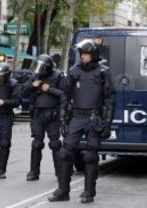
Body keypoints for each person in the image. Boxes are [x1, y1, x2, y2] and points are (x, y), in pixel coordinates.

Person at [48, 39, 115, 203]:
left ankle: (89, 192)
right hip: (76, 116)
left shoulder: (103, 72)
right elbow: (65, 95)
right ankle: (63, 191)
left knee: (90, 156)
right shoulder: (73, 71)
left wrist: (107, 123)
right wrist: (63, 118)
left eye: (84, 54)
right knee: (65, 153)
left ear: (92, 55)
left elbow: (110, 100)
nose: (82, 57)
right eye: (81, 54)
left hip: (94, 117)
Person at [22, 54, 67, 181]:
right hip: (37, 114)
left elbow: (65, 94)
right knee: (36, 143)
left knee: (55, 144)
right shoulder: (35, 76)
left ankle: (60, 173)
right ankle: (33, 172)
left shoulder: (58, 76)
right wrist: (32, 85)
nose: (39, 70)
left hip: (53, 114)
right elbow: (22, 93)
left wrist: (50, 89)